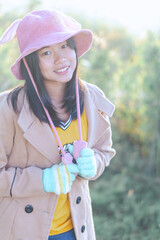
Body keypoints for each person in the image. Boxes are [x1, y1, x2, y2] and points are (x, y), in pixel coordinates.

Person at [0, 9, 116, 240]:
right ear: (31, 61)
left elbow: (104, 150)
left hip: (77, 229)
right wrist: (42, 180)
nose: (61, 58)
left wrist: (94, 163)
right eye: (46, 52)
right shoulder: (7, 109)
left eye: (65, 46)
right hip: (22, 231)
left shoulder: (92, 98)